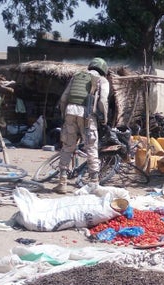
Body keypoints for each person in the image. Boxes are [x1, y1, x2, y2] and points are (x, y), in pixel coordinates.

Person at [54, 57, 110, 194]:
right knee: (91, 147)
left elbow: (63, 98)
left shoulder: (76, 76)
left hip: (70, 112)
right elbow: (102, 101)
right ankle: (94, 182)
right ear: (103, 69)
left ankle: (62, 182)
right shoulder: (102, 80)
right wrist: (105, 118)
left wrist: (64, 115)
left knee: (67, 146)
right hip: (87, 115)